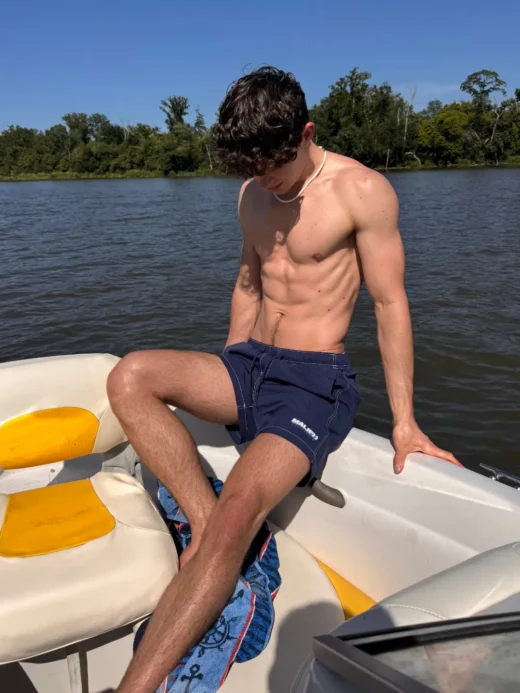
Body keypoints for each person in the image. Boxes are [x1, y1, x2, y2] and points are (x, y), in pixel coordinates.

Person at [108, 66, 462, 693]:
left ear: (307, 132)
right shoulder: (252, 193)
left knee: (240, 513)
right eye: (253, 168)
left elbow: (390, 306)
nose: (265, 179)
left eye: (275, 164)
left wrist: (405, 423)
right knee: (129, 376)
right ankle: (205, 526)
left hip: (312, 382)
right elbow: (249, 284)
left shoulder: (363, 191)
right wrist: (228, 364)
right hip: (249, 364)